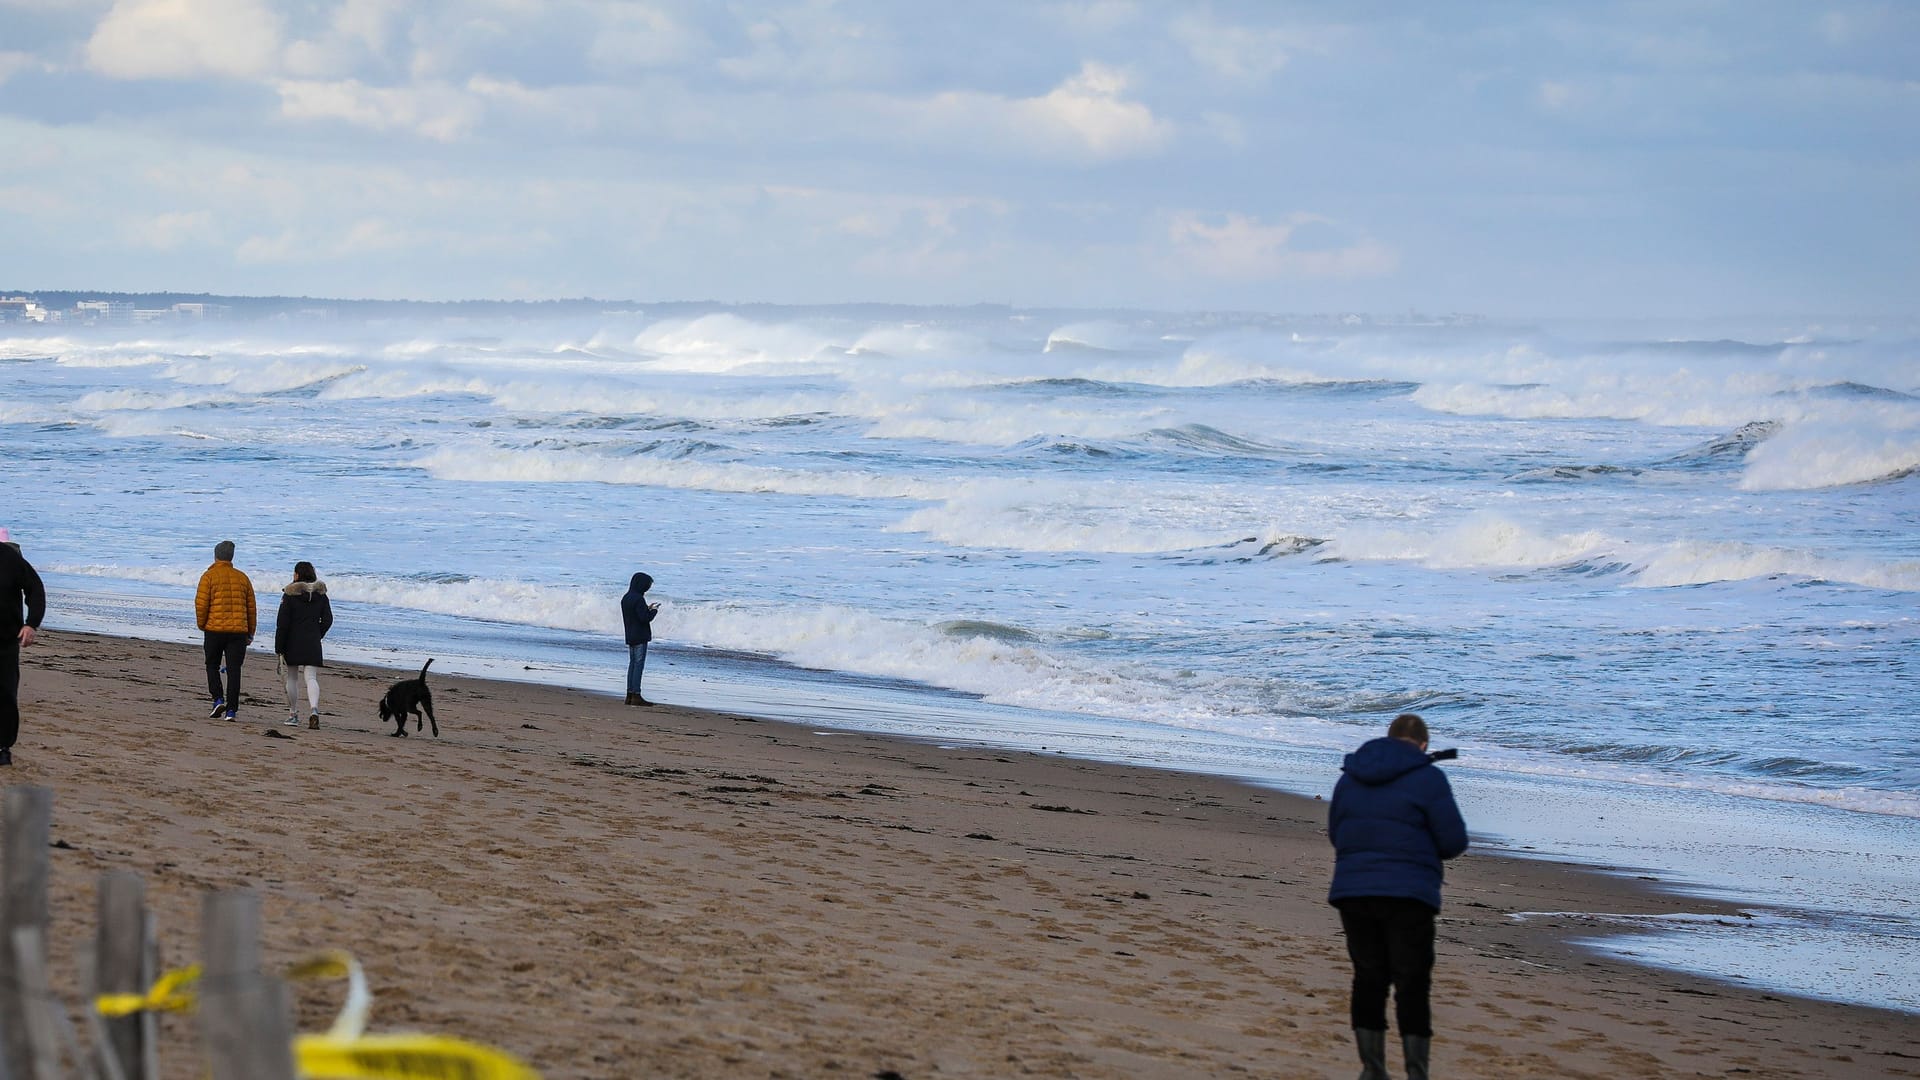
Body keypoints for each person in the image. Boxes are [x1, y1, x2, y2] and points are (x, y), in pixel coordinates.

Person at [1327, 713, 1469, 1080]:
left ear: (1388, 739)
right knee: (1412, 982)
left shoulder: (1350, 776)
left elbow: (1337, 833)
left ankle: (1372, 1070)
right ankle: (1416, 1072)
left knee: (1369, 977)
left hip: (1354, 890)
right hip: (1409, 894)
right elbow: (1453, 842)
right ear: (1423, 745)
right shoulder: (1429, 778)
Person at [194, 540, 256, 722]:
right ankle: (231, 711)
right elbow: (251, 608)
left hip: (214, 629)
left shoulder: (209, 576)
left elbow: (201, 604)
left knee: (212, 665)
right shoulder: (242, 578)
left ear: (215, 556)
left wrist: (202, 624)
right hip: (238, 632)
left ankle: (218, 698)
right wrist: (250, 632)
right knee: (234, 670)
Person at [0, 528, 46, 768]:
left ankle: (2, 748)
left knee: (5, 694)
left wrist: (31, 624)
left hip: (5, 639)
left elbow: (35, 590)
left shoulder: (12, 561)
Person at [273, 561, 333, 729]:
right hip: (312, 640)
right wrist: (318, 633)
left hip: (292, 640)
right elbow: (328, 619)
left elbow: (282, 623)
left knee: (292, 677)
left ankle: (293, 713)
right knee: (311, 677)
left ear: (297, 575)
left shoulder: (289, 595)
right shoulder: (321, 595)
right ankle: (314, 710)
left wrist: (279, 647)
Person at [619, 572, 659, 706]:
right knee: (638, 665)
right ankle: (636, 694)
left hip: (630, 634)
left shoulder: (626, 597)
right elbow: (644, 618)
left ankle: (629, 694)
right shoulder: (638, 599)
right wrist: (653, 611)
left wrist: (646, 609)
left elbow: (636, 614)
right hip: (640, 635)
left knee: (632, 664)